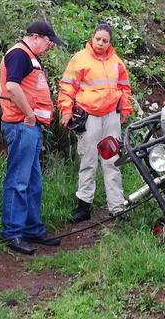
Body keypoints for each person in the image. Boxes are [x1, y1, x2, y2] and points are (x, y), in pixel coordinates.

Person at [0, 20, 64, 255]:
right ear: (35, 36)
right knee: (19, 180)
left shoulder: (28, 56)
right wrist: (29, 114)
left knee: (33, 181)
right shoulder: (19, 54)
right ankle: (13, 233)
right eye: (48, 42)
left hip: (31, 127)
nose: (49, 46)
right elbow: (13, 87)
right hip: (21, 125)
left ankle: (32, 228)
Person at [58, 23, 133, 223]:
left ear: (110, 42)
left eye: (105, 40)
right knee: (88, 160)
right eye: (98, 39)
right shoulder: (79, 58)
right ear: (92, 38)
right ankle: (83, 207)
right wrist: (66, 110)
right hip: (89, 116)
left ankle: (117, 207)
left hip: (111, 117)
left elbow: (124, 88)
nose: (100, 43)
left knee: (112, 162)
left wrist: (125, 109)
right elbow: (67, 87)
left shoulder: (117, 62)